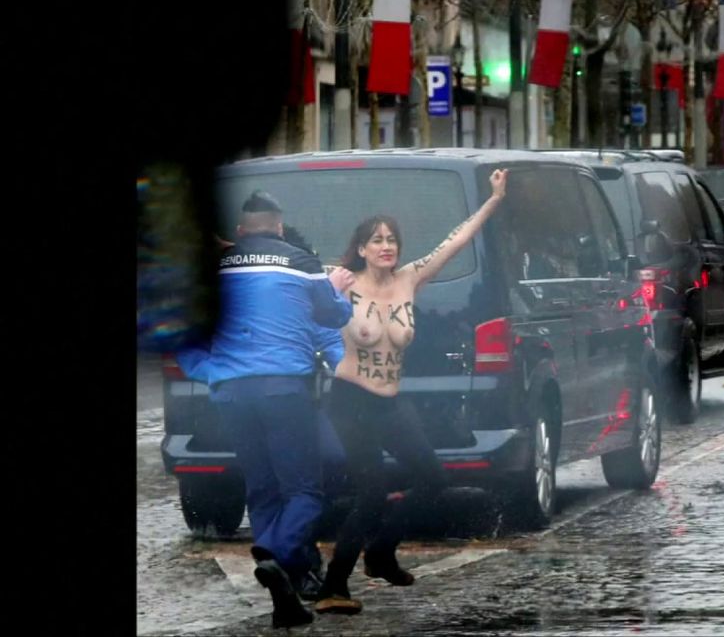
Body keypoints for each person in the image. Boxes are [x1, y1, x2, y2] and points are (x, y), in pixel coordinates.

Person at [314, 169, 509, 615]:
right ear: (361, 248)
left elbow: (455, 241)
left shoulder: (409, 279)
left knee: (434, 478)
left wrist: (494, 200)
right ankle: (333, 585)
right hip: (349, 401)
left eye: (392, 240)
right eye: (377, 240)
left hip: (390, 401)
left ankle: (381, 553)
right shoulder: (340, 280)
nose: (386, 246)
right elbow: (282, 266)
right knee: (372, 492)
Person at [177, 191, 355, 628]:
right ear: (278, 226)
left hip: (232, 396)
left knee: (262, 489)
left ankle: (284, 585)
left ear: (241, 231)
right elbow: (332, 318)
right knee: (304, 492)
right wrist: (339, 293)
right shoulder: (300, 262)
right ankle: (275, 552)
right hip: (283, 391)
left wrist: (211, 370)